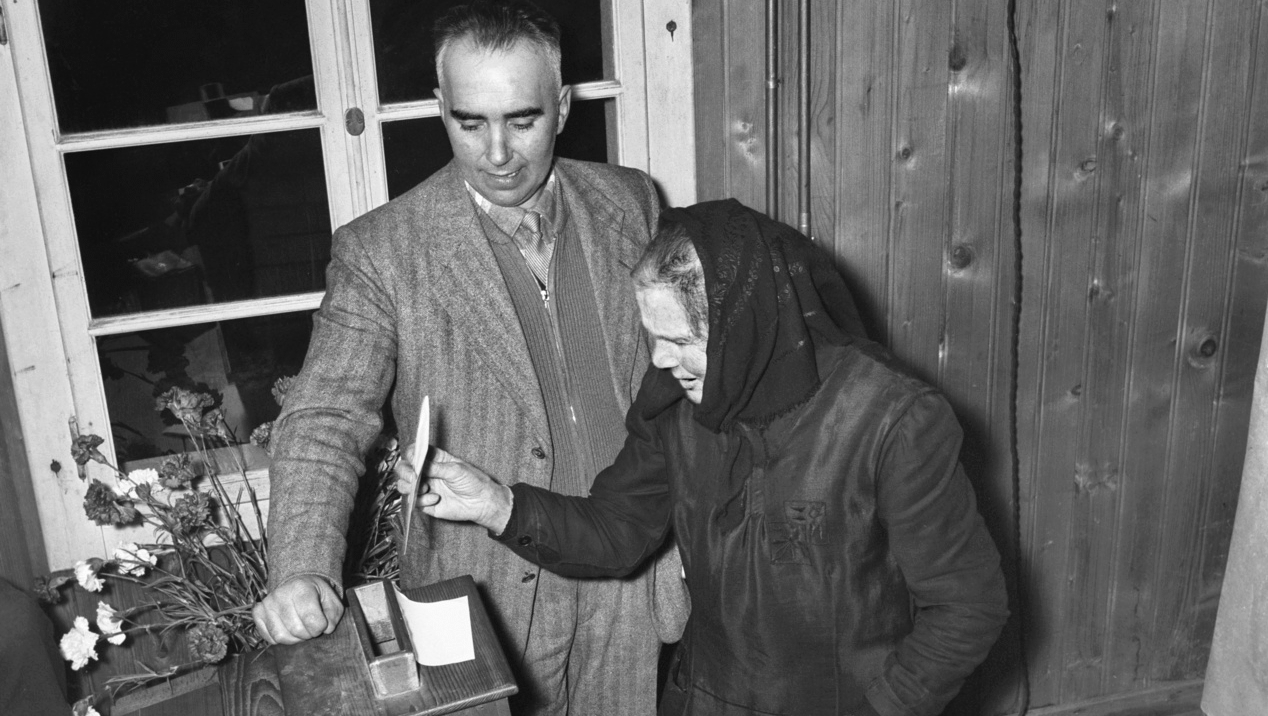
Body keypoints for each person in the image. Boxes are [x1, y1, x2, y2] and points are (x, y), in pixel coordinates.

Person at [252, 2, 687, 714]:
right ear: (438, 107)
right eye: (468, 121)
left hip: (634, 583)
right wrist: (301, 569)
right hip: (489, 595)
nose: (497, 153)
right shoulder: (384, 251)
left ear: (564, 106)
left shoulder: (630, 201)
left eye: (523, 120)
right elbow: (325, 417)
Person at [411, 199, 1010, 716]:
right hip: (707, 695)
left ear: (744, 327)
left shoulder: (893, 418)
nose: (662, 361)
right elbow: (617, 530)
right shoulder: (674, 401)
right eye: (653, 338)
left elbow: (967, 609)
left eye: (680, 341)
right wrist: (498, 505)